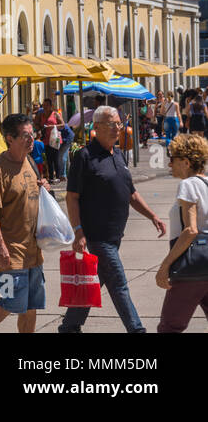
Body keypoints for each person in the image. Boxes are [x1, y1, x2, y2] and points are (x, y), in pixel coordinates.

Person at [59, 105, 165, 334]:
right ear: (96, 127)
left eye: (119, 123)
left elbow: (131, 194)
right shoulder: (84, 157)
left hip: (115, 236)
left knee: (94, 284)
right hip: (96, 237)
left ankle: (69, 326)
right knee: (119, 285)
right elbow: (72, 197)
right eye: (111, 123)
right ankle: (137, 329)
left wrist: (153, 216)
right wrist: (78, 231)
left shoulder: (118, 154)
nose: (117, 128)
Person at [0, 113, 49, 333]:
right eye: (25, 136)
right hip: (12, 251)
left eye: (32, 134)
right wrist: (0, 246)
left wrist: (43, 186)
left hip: (34, 250)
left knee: (31, 305)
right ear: (10, 138)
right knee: (10, 303)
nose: (31, 140)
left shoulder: (29, 162)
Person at [155, 134, 208, 332]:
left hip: (192, 266)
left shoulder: (188, 185)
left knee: (170, 327)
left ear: (186, 162)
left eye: (173, 160)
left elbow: (191, 230)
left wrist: (165, 266)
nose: (170, 165)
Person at [39, 99, 64, 182]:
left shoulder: (55, 114)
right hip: (46, 139)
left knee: (56, 158)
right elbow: (36, 123)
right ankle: (51, 177)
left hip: (55, 139)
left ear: (51, 106)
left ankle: (57, 176)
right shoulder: (41, 115)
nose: (45, 107)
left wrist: (53, 126)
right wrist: (40, 128)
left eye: (47, 105)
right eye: (44, 105)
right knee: (49, 159)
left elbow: (63, 124)